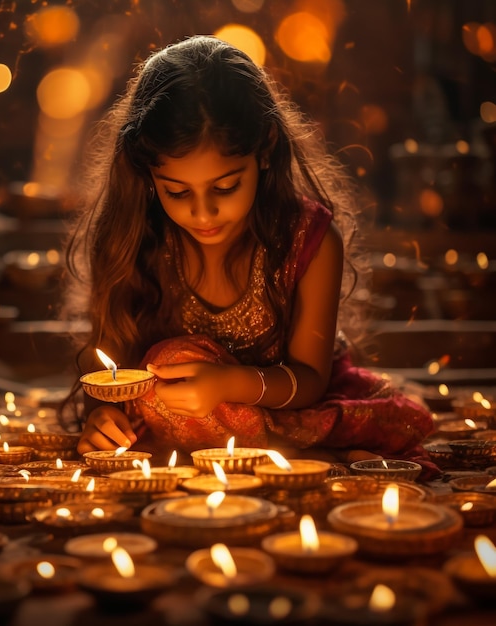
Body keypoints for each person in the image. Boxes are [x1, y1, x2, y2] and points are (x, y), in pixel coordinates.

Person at [62, 35, 438, 478]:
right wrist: (105, 420)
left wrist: (228, 383)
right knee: (168, 363)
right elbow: (112, 367)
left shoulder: (308, 240)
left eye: (225, 187)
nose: (203, 213)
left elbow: (311, 380)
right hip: (179, 421)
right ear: (147, 174)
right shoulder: (133, 236)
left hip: (292, 413)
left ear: (265, 148)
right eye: (176, 191)